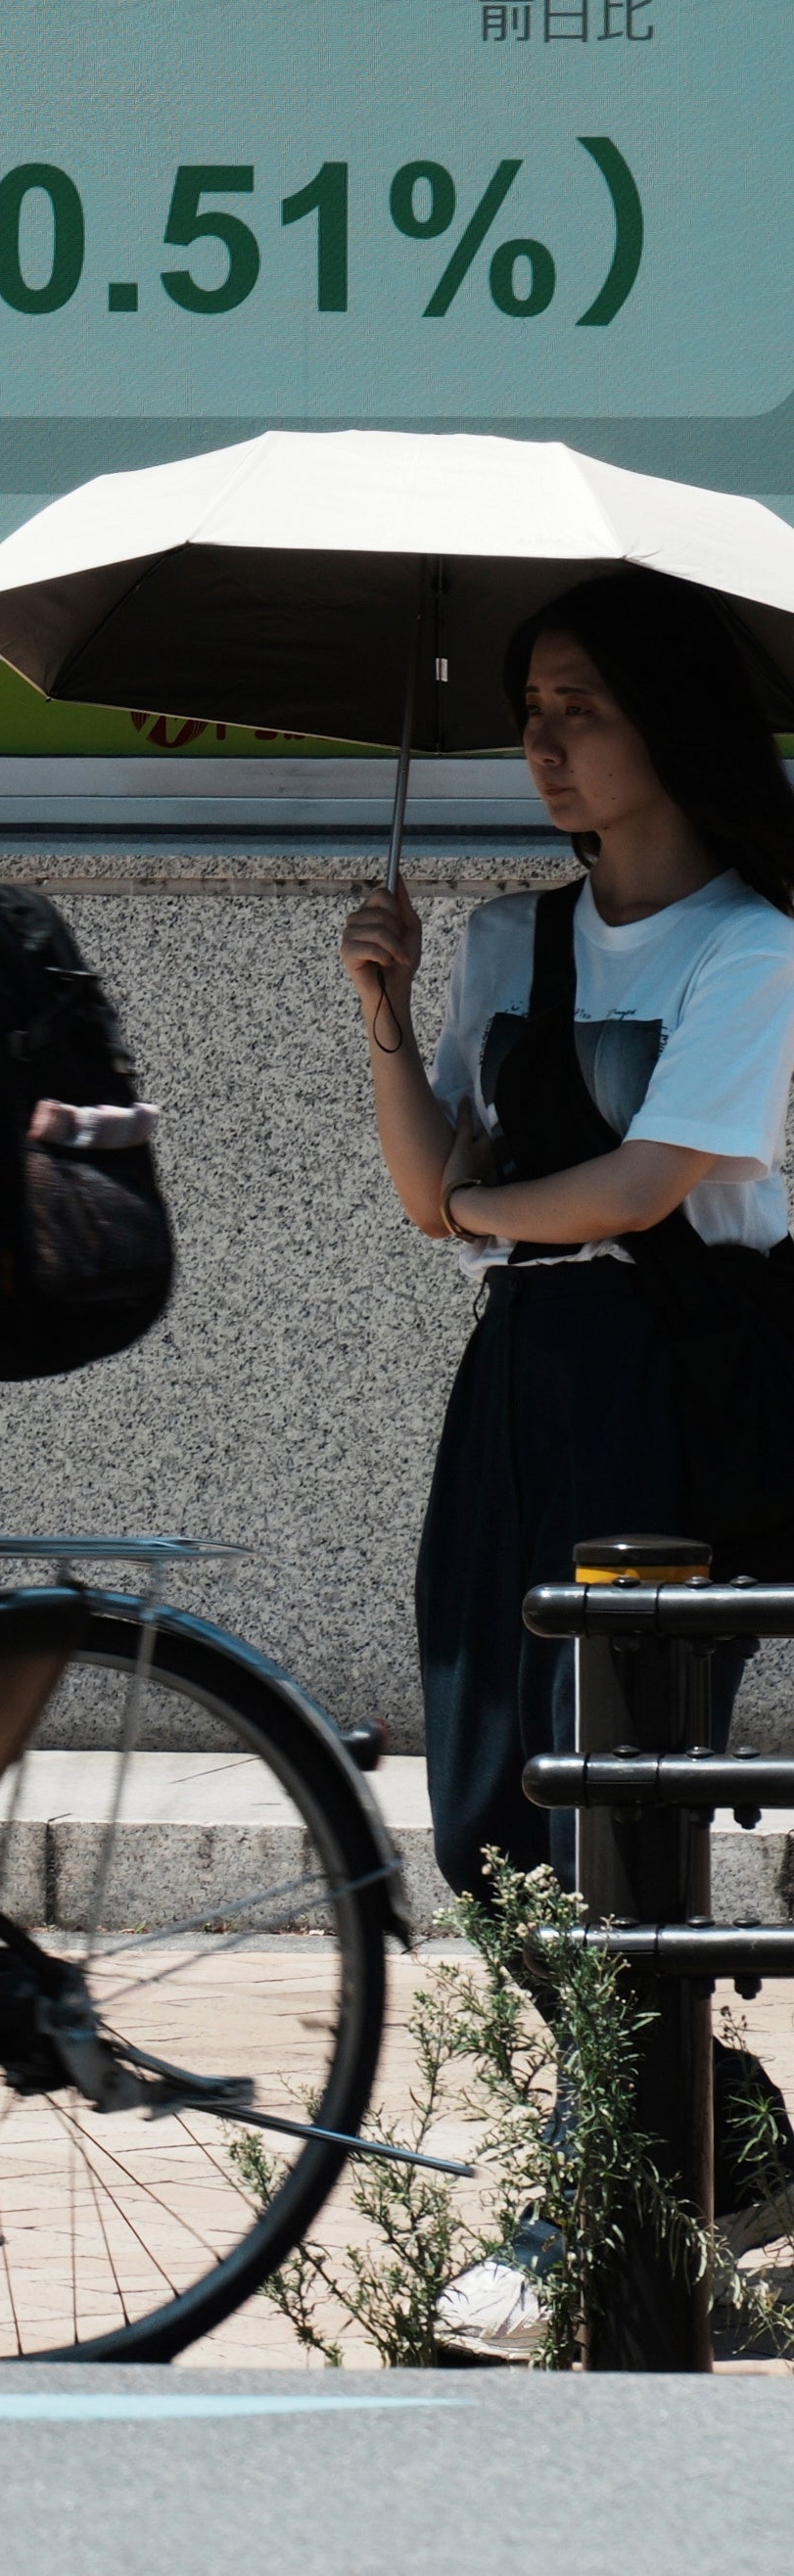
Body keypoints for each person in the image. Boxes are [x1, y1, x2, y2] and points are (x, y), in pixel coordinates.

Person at [340, 569, 794, 2348]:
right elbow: (418, 1191)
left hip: (679, 1388)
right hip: (523, 1372)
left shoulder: (754, 944)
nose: (540, 739)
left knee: (627, 1798)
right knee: (486, 1814)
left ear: (673, 723)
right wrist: (382, 1014)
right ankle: (730, 2131)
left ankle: (598, 2187)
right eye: (527, 706)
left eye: (579, 704)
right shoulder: (507, 942)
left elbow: (642, 1187)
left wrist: (472, 1201)